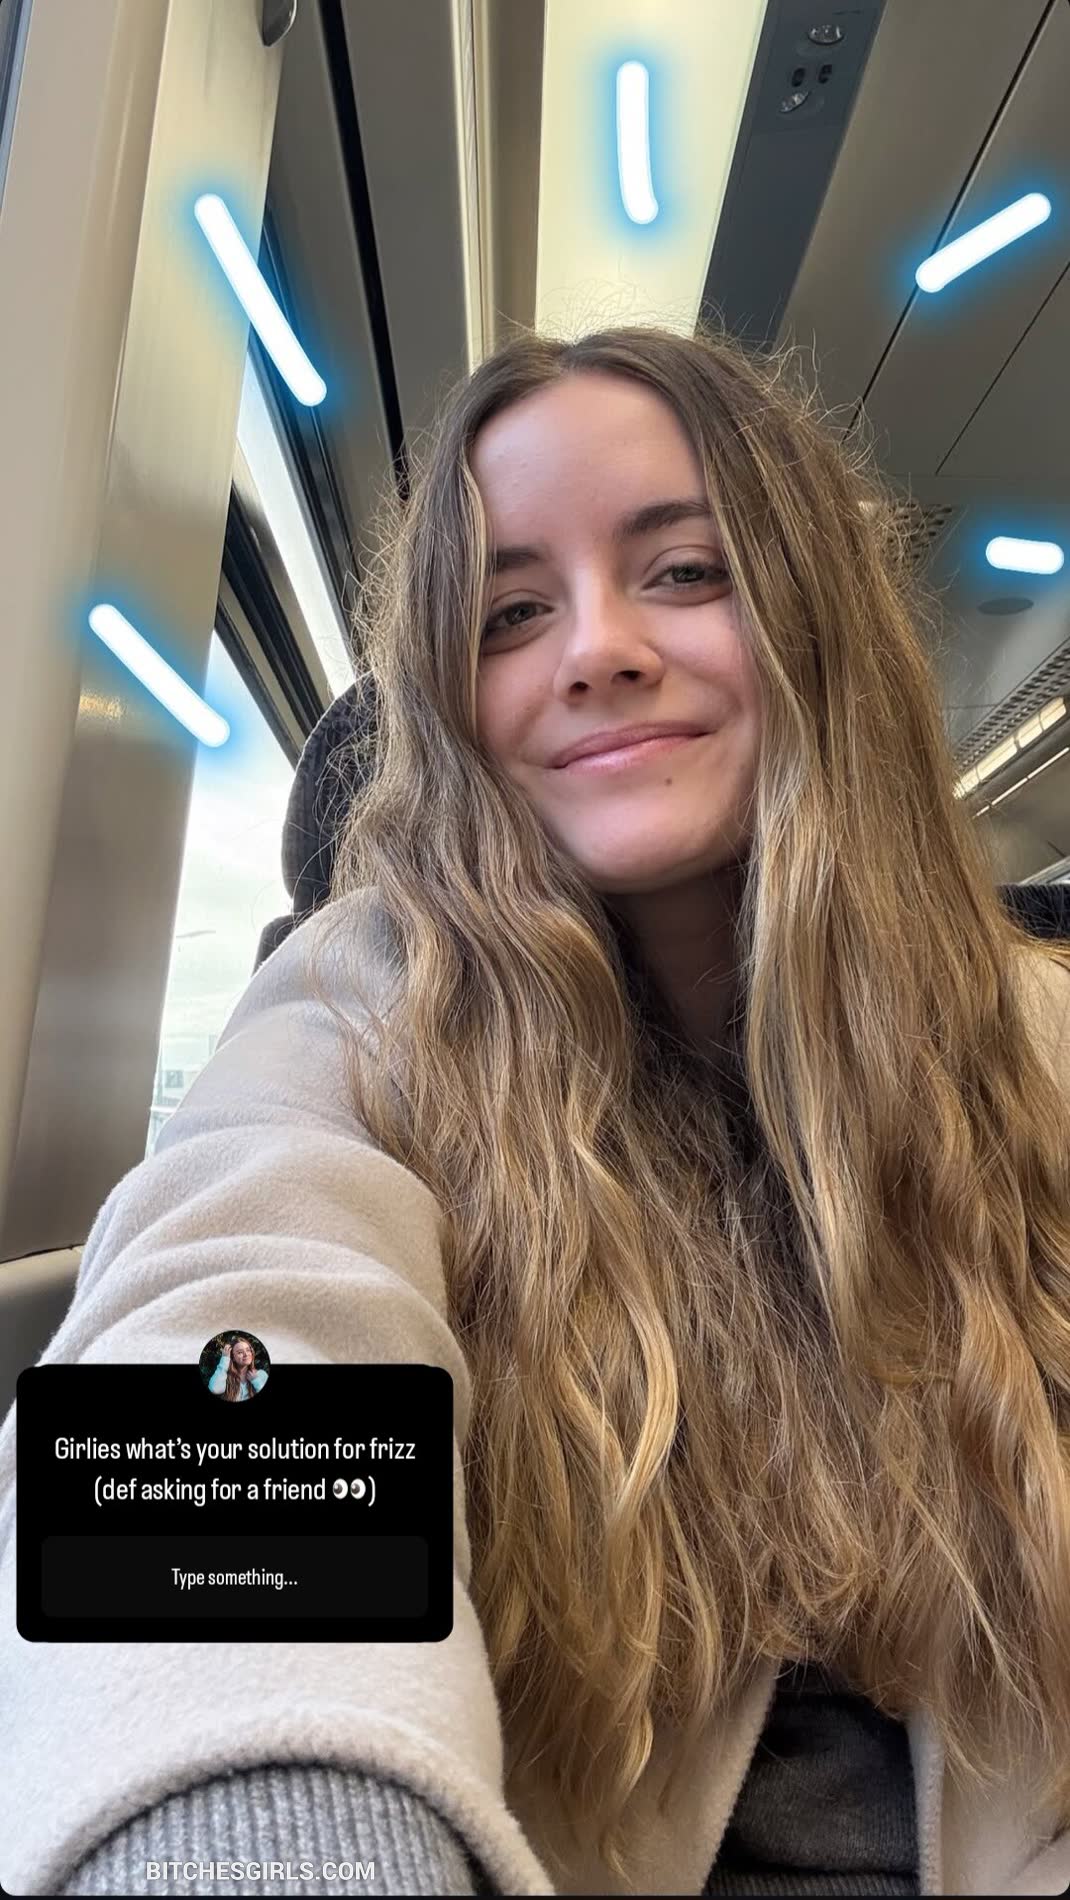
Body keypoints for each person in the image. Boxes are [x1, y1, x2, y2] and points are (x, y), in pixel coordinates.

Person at [1, 322, 1069, 1900]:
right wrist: (267, 1811)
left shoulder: (1035, 1035)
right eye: (510, 612)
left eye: (685, 572)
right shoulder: (364, 1001)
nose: (595, 649)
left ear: (815, 618)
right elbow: (224, 1333)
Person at [206, 1336, 268, 1402]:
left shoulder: (261, 1375)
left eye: (248, 1350)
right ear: (233, 1358)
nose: (246, 1354)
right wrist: (225, 1359)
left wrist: (256, 1381)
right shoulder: (224, 1377)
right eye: (240, 1352)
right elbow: (215, 1389)